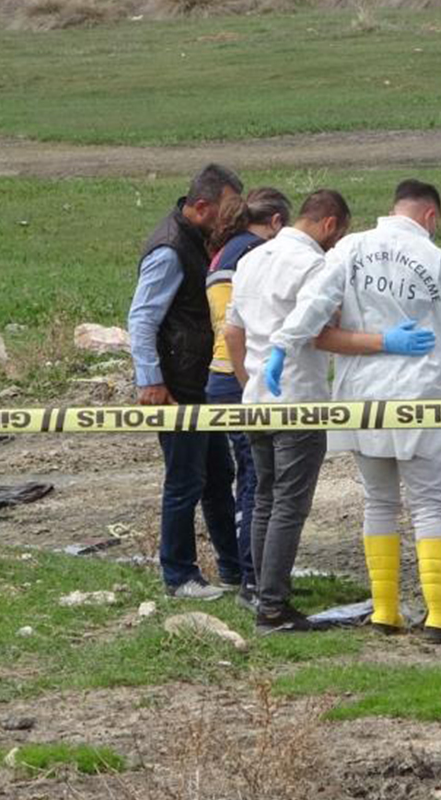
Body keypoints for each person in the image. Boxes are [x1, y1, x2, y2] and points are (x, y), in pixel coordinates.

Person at [266, 179, 441, 643]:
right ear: (430, 217)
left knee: (379, 501)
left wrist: (281, 347)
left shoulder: (351, 248)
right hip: (416, 397)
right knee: (429, 504)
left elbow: (315, 304)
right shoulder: (440, 262)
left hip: (360, 397)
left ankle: (386, 608)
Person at [224, 189, 438, 631]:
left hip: (256, 399)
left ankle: (259, 589)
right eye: (336, 234)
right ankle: (273, 606)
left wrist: (252, 384)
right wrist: (385, 341)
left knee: (263, 496)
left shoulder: (249, 260)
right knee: (289, 504)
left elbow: (231, 333)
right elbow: (322, 336)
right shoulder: (313, 266)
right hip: (300, 400)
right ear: (329, 225)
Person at [127, 164, 244, 600]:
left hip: (199, 384)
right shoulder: (171, 250)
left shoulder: (196, 240)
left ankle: (233, 568)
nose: (232, 220)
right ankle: (178, 576)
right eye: (227, 212)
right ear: (201, 207)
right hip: (178, 388)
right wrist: (151, 381)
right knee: (185, 480)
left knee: (218, 475)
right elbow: (142, 319)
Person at [205, 187, 292, 608]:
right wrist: (249, 381)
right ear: (275, 222)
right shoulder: (254, 254)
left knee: (252, 481)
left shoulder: (226, 250)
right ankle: (254, 579)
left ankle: (253, 575)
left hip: (220, 374)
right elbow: (238, 328)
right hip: (237, 374)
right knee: (258, 484)